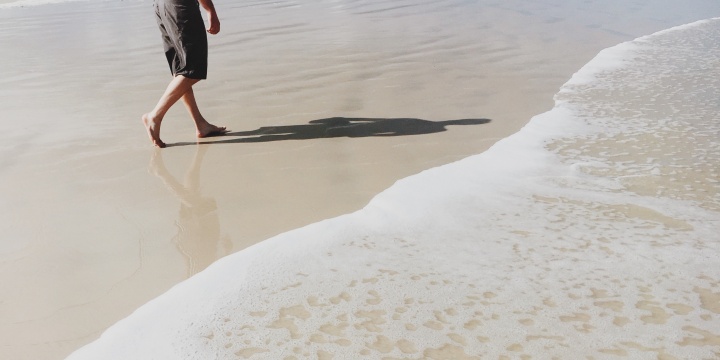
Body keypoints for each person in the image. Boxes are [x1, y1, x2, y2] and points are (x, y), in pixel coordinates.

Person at [143, 0, 228, 148]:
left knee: (181, 70)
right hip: (179, 6)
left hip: (161, 6)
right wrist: (211, 11)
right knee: (192, 70)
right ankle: (155, 116)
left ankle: (200, 124)